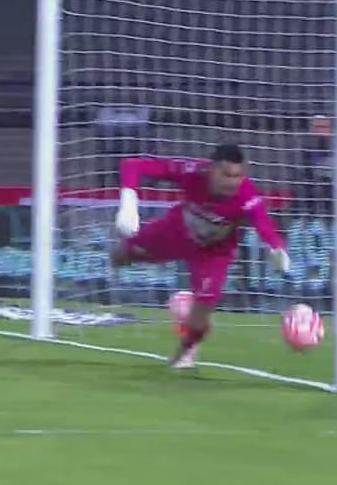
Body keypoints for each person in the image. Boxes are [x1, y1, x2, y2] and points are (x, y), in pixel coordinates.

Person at [112, 143, 290, 369]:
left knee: (201, 314)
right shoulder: (192, 172)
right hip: (176, 232)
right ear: (211, 169)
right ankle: (134, 261)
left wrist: (276, 248)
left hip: (213, 252)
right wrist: (128, 202)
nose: (232, 182)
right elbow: (133, 165)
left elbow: (264, 224)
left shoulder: (247, 196)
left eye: (237, 176)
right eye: (226, 175)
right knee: (120, 256)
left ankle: (185, 351)